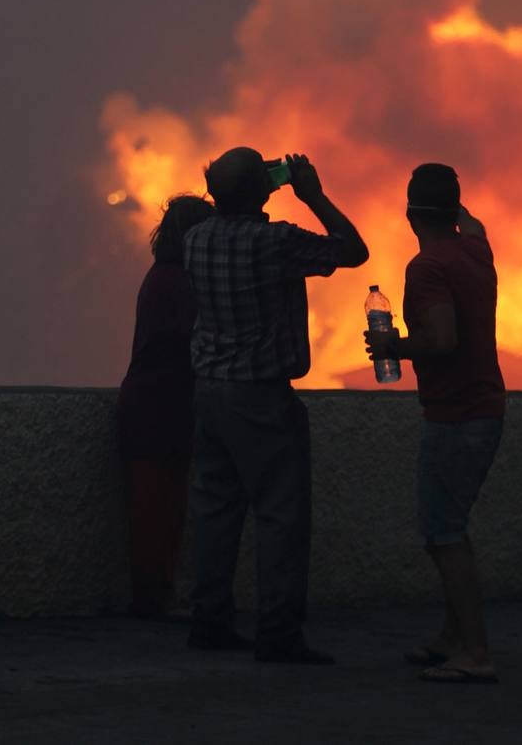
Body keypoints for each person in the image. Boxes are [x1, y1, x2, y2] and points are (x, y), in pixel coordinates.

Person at [183, 147, 368, 664]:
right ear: (262, 189)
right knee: (280, 515)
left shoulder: (195, 238)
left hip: (209, 390)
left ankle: (210, 621)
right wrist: (313, 195)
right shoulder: (274, 242)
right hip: (260, 395)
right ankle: (279, 632)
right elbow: (352, 251)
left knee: (216, 511)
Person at [365, 162, 506, 684]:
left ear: (408, 213)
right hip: (485, 408)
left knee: (444, 534)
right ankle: (452, 638)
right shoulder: (474, 248)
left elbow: (442, 339)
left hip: (455, 415)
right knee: (450, 530)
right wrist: (455, 212)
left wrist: (392, 346)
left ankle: (475, 652)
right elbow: (473, 222)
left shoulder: (427, 268)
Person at [115, 194, 217, 618]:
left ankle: (159, 592)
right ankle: (154, 595)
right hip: (160, 408)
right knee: (157, 506)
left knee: (162, 504)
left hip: (157, 406)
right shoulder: (177, 282)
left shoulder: (163, 276)